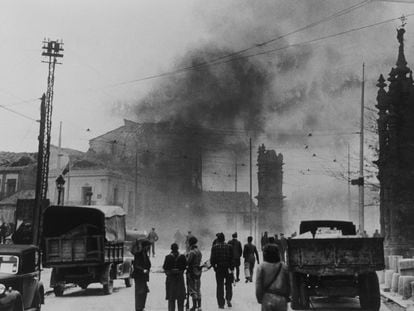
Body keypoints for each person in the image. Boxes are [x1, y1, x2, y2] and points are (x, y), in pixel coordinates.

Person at [256, 244, 290, 311]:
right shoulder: (284, 266)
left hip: (267, 298)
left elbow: (258, 285)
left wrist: (260, 298)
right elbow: (289, 283)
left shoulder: (262, 267)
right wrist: (287, 296)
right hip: (281, 299)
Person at [210, 232, 233, 309]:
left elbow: (212, 260)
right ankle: (228, 299)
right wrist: (231, 268)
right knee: (229, 284)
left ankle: (221, 303)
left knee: (220, 286)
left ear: (218, 239)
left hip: (219, 268)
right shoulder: (229, 247)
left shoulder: (214, 247)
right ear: (224, 239)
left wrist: (215, 268)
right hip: (228, 268)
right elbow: (232, 258)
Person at [163, 243, 187, 311]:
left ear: (171, 249)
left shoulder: (168, 257)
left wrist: (171, 271)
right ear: (178, 248)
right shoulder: (182, 257)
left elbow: (165, 267)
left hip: (171, 280)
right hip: (180, 279)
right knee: (180, 299)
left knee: (171, 299)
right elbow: (185, 267)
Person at [131, 237, 152, 311]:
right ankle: (139, 308)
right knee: (139, 293)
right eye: (148, 246)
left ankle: (142, 307)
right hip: (139, 276)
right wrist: (143, 270)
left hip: (143, 277)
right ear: (145, 246)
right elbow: (136, 265)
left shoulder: (145, 254)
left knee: (144, 292)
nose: (149, 248)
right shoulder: (139, 254)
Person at [186, 236, 202, 311]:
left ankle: (194, 306)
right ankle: (199, 306)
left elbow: (188, 262)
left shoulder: (192, 252)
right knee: (198, 288)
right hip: (198, 271)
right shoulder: (199, 251)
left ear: (190, 243)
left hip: (191, 271)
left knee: (192, 289)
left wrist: (185, 257)